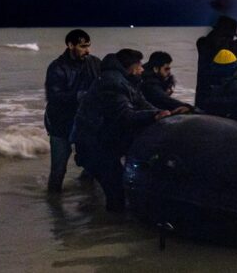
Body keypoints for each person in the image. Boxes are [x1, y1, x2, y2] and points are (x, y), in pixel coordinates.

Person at [71, 49, 172, 211]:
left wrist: (165, 114)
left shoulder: (126, 81)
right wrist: (154, 116)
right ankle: (107, 230)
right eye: (139, 66)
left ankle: (91, 213)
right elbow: (124, 115)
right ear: (131, 67)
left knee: (112, 184)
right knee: (116, 192)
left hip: (104, 140)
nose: (142, 69)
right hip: (95, 144)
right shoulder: (113, 83)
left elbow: (142, 103)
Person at [44, 29, 101, 193]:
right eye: (83, 46)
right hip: (60, 123)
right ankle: (54, 206)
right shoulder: (56, 67)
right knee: (59, 169)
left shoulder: (94, 63)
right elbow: (54, 97)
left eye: (88, 46)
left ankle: (87, 195)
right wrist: (80, 95)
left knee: (92, 163)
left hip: (85, 122)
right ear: (70, 45)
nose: (87, 50)